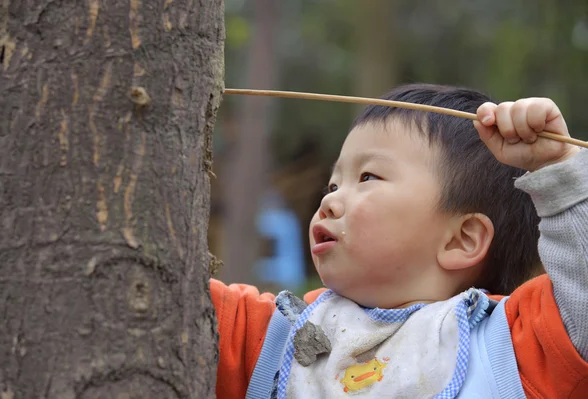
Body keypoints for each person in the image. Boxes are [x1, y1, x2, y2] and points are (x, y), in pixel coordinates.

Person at [211, 84, 588, 398]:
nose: (329, 200)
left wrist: (559, 171)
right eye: (334, 184)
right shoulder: (276, 338)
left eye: (369, 177)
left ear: (462, 239)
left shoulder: (512, 350)